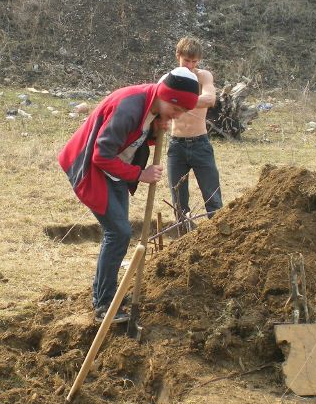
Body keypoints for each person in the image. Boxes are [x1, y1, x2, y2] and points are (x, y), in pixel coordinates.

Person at [58, 67, 200, 323]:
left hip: (115, 171)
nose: (177, 117)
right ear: (167, 95)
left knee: (118, 233)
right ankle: (103, 305)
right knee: (119, 232)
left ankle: (107, 294)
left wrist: (156, 128)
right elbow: (101, 155)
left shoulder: (153, 106)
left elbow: (133, 139)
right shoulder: (130, 107)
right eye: (177, 109)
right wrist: (138, 174)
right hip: (91, 167)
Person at [167, 37, 222, 227]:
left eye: (194, 61)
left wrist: (178, 100)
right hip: (176, 146)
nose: (190, 65)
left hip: (200, 144)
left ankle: (220, 240)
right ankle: (185, 242)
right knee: (179, 204)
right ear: (178, 56)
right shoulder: (170, 78)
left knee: (213, 199)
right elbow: (157, 101)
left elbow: (209, 99)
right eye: (186, 61)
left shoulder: (203, 76)